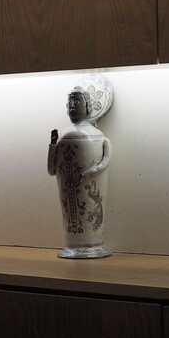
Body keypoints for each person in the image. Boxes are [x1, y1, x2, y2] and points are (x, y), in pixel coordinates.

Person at [48, 86, 112, 259]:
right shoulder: (63, 136)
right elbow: (51, 170)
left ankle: (93, 245)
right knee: (71, 211)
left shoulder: (99, 137)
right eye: (70, 102)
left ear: (88, 106)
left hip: (89, 187)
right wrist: (53, 145)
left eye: (77, 102)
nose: (72, 106)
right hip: (68, 191)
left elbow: (105, 161)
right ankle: (74, 245)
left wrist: (91, 172)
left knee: (91, 207)